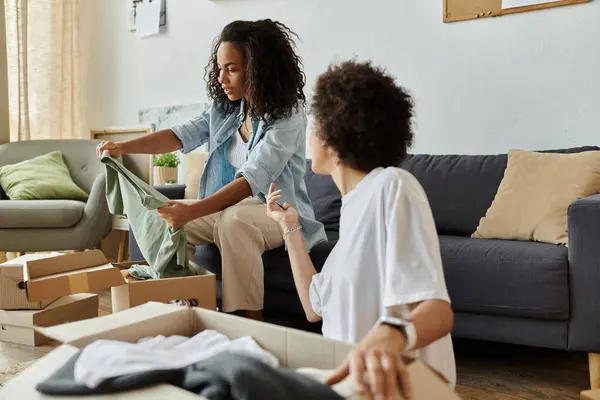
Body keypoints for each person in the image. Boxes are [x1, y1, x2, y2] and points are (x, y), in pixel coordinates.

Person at [96, 19, 326, 320]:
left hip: (278, 211)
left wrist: (193, 211)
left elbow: (252, 178)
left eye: (231, 68)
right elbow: (181, 134)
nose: (221, 77)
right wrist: (124, 148)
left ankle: (247, 323)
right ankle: (184, 307)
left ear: (258, 70)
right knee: (161, 217)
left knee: (234, 221)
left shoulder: (288, 115)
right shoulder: (226, 110)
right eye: (219, 68)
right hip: (231, 208)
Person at [266, 61, 456, 399]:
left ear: (331, 136)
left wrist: (392, 334)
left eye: (313, 126)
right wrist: (289, 226)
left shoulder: (391, 185)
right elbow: (314, 307)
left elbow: (438, 312)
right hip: (352, 387)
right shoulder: (350, 220)